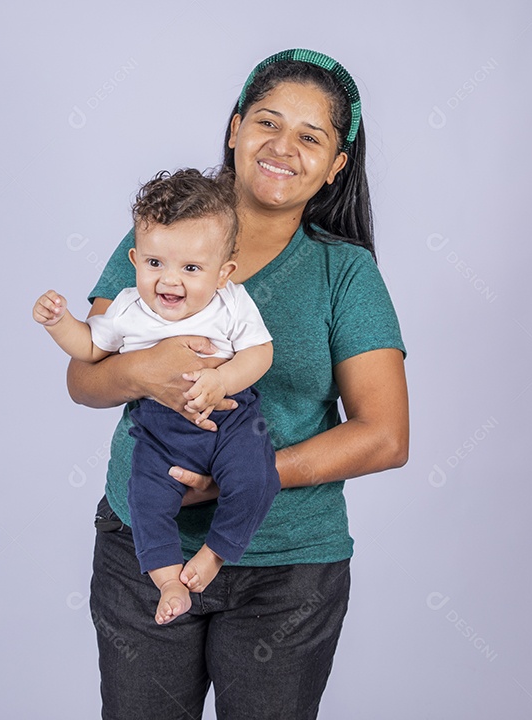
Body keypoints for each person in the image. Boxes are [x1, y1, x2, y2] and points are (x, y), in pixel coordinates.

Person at [69, 48, 410, 720]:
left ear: (337, 165)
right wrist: (145, 371)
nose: (283, 147)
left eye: (310, 137)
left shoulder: (345, 274)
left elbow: (384, 437)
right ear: (234, 129)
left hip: (286, 571)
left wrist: (240, 477)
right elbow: (86, 377)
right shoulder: (165, 240)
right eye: (267, 123)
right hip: (145, 547)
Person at [33, 169, 279, 625]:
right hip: (160, 429)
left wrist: (223, 381)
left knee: (256, 479)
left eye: (190, 268)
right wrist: (59, 323)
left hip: (231, 419)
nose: (169, 281)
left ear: (223, 273)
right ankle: (168, 580)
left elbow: (260, 352)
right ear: (135, 258)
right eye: (154, 264)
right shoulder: (128, 306)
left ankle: (214, 554)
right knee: (144, 499)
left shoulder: (232, 303)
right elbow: (89, 347)